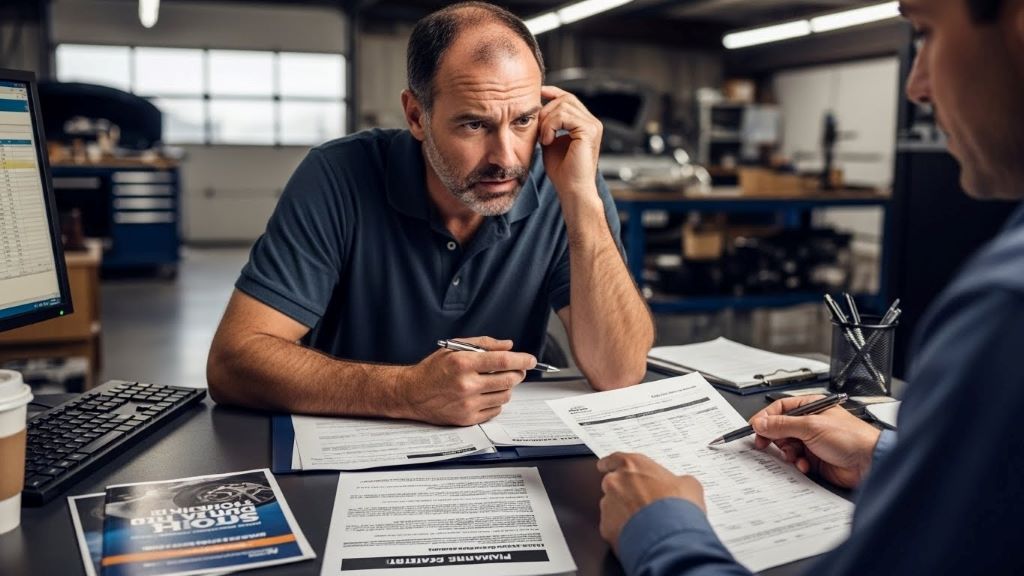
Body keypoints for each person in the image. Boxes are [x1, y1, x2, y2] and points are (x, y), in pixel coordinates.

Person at [596, 0, 1024, 573]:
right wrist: (882, 455)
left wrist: (659, 527)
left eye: (925, 32)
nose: (916, 88)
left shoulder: (1007, 307)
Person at [206, 2, 654, 426]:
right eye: (474, 124)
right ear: (417, 116)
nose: (506, 158)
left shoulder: (566, 176)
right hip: (354, 443)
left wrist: (582, 199)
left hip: (507, 444)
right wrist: (405, 392)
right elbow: (233, 362)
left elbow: (619, 373)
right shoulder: (337, 175)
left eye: (522, 121)